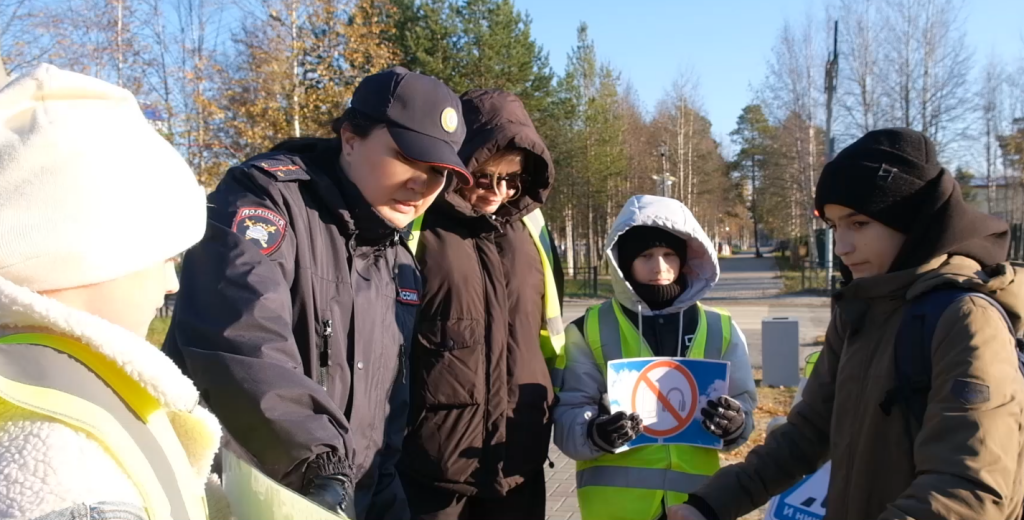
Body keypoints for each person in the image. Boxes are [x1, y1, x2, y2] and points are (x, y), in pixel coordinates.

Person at [162, 66, 470, 520]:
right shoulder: (263, 202)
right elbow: (240, 338)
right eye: (408, 157)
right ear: (350, 138)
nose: (423, 185)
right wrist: (322, 467)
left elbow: (382, 431)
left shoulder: (401, 266)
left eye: (439, 172)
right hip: (251, 502)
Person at [670, 128, 1024, 520]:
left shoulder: (966, 318)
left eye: (859, 224)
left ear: (911, 221)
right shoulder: (860, 310)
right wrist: (705, 507)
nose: (842, 246)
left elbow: (967, 491)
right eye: (835, 226)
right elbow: (805, 437)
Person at [0, 64, 228, 520]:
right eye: (165, 256)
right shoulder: (71, 475)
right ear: (90, 257)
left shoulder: (57, 387)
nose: (173, 282)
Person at [398, 88, 565, 520]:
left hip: (518, 455)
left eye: (513, 181)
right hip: (432, 463)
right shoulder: (417, 221)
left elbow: (549, 330)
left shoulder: (531, 228)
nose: (498, 192)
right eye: (485, 177)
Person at [554, 194, 757, 520]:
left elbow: (743, 411)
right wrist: (595, 434)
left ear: (685, 258)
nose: (660, 267)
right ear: (624, 262)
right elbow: (568, 418)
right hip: (616, 508)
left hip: (697, 505)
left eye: (669, 254)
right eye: (646, 255)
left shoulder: (722, 328)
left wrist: (735, 425)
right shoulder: (587, 329)